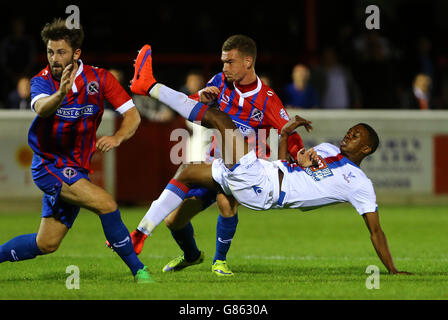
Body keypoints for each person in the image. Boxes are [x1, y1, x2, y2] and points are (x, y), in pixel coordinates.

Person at [128, 45, 411, 275]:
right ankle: (146, 236)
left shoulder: (358, 182)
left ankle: (149, 85)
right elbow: (291, 158)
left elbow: (376, 230)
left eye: (230, 62)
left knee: (221, 134)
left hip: (259, 181)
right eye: (351, 130)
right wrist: (292, 145)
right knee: (183, 184)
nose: (224, 67)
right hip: (252, 167)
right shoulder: (325, 149)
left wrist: (393, 271)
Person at [129, 36, 304, 277]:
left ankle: (219, 261)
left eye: (230, 62)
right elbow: (190, 107)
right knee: (173, 222)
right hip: (212, 165)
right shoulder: (220, 82)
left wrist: (301, 155)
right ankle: (191, 255)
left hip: (241, 170)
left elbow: (290, 133)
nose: (224, 68)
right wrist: (200, 98)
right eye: (223, 62)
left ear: (248, 61)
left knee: (225, 201)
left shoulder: (267, 99)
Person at [0, 18, 152, 284]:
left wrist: (117, 137)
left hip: (76, 168)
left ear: (76, 54)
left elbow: (132, 116)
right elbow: (41, 108)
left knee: (46, 243)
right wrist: (60, 94)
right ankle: (139, 271)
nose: (54, 59)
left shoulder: (100, 79)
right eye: (50, 52)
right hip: (48, 165)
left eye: (61, 52)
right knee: (106, 204)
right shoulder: (43, 81)